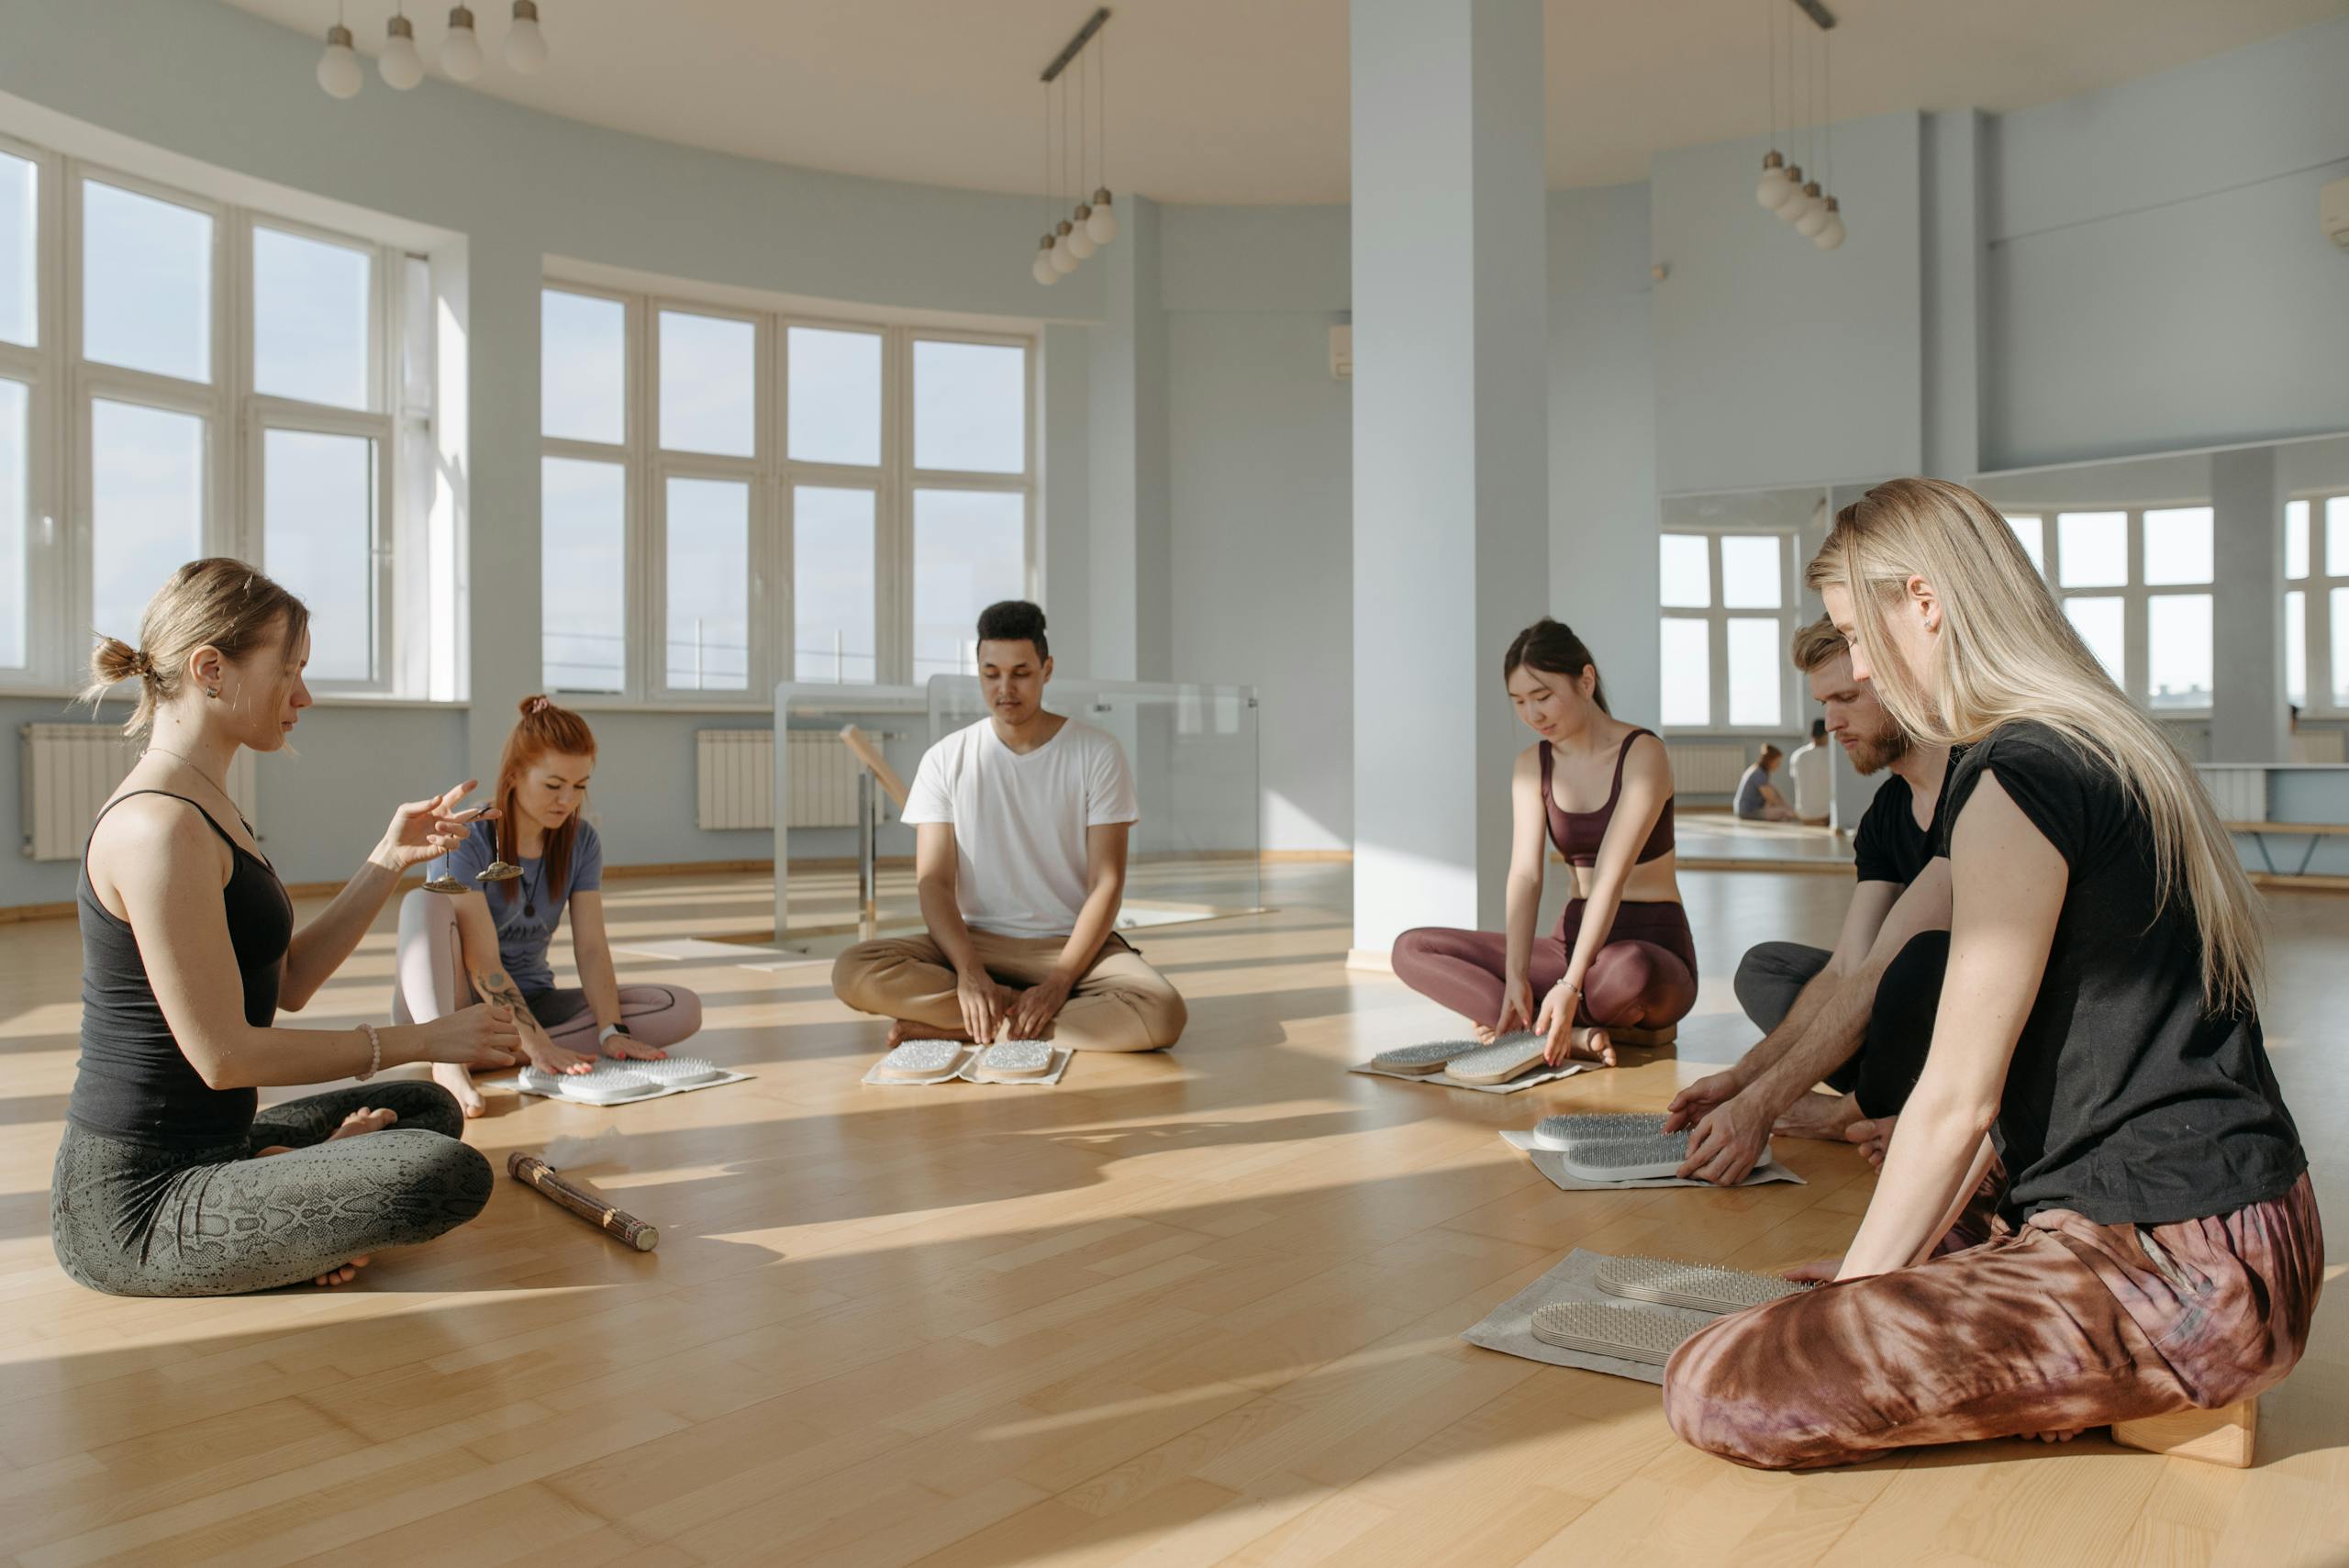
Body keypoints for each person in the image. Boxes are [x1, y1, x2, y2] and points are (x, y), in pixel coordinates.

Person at [1664, 479, 2320, 1469]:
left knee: (1717, 1380)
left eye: (1855, 630)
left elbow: (1957, 1100)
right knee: (1822, 1301)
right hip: (2230, 1228)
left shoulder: (2016, 773)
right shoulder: (2092, 742)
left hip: (2186, 1271)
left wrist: (1857, 1297)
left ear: (1921, 601)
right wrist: (1883, 1262)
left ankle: (2093, 1363)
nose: (1861, 667)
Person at [51, 560, 519, 1297]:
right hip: (135, 1205)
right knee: (445, 1172)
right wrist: (427, 1038)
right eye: (287, 670)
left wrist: (387, 858)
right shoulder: (157, 826)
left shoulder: (206, 802)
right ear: (211, 668)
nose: (304, 695)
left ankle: (275, 1188)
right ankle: (278, 1202)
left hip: (220, 1148)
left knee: (425, 1107)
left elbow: (291, 983)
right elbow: (224, 1057)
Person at [1665, 617, 1952, 1184]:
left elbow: (1877, 974)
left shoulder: (1977, 782)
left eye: (1848, 698)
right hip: (1903, 1025)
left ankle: (1854, 1112)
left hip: (1980, 1026)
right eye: (1825, 702)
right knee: (1767, 968)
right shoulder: (1886, 813)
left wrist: (1765, 1104)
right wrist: (1741, 1079)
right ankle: (1893, 1098)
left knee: (1911, 968)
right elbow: (1849, 964)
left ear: (1905, 685)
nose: (1832, 723)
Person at [830, 600, 1186, 1052]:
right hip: (977, 942)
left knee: (1163, 1012)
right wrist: (968, 971)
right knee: (853, 970)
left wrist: (1060, 980)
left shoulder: (1097, 753)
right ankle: (1018, 1015)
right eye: (991, 673)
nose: (1005, 688)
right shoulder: (945, 759)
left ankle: (966, 1027)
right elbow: (934, 883)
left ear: (1046, 669)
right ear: (978, 670)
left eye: (1021, 672)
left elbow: (1107, 883)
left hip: (1072, 946)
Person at [1391, 618, 1698, 1067]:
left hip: (1648, 944)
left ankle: (1543, 1020)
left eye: (1543, 696)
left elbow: (1610, 877)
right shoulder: (1532, 764)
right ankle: (1564, 1032)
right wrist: (1516, 975)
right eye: (1518, 702)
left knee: (1629, 971)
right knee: (1412, 949)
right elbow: (1526, 876)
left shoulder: (1642, 752)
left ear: (1586, 681)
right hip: (1569, 941)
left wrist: (1571, 984)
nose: (1533, 715)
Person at [395, 696, 704, 1118]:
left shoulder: (582, 842)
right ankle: (446, 1054)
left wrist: (612, 1031)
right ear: (516, 775)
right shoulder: (469, 838)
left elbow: (592, 948)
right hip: (454, 1003)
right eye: (554, 785)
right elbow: (481, 960)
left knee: (680, 1007)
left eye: (580, 787)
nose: (567, 801)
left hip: (531, 1001)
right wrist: (537, 1043)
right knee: (421, 903)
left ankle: (498, 1051)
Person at [1732, 746, 1798, 821]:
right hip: (1747, 811)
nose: (1778, 765)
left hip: (1745, 809)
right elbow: (1771, 799)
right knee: (1785, 812)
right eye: (1777, 762)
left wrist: (1785, 805)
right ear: (1770, 760)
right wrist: (1788, 809)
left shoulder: (1759, 770)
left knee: (1778, 798)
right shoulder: (1758, 773)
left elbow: (1773, 792)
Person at [1787, 718, 1831, 824]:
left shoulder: (1797, 755)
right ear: (1826, 735)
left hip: (1802, 815)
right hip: (1825, 815)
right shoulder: (1831, 757)